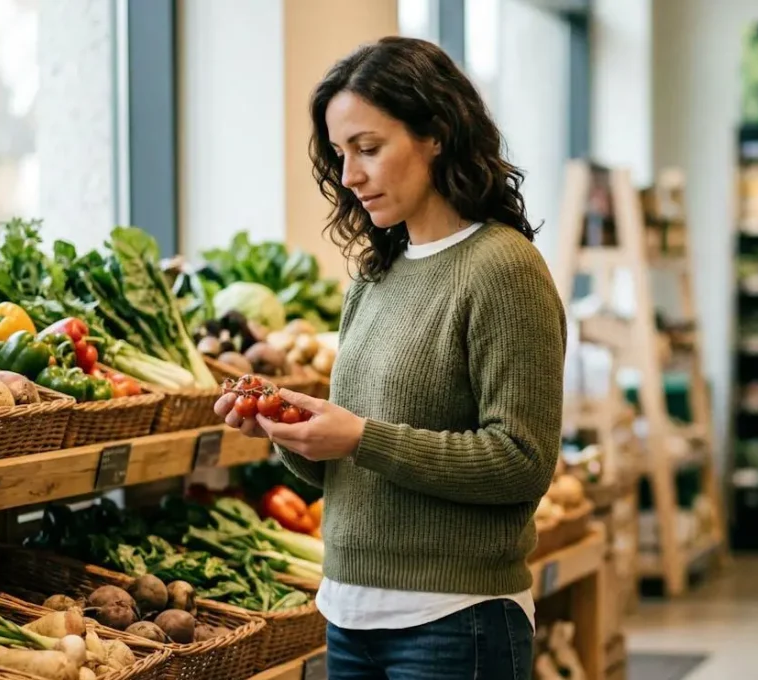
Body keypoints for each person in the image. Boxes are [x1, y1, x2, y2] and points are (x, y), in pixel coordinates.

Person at [214, 36, 566, 679]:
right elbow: (350, 470)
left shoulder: (503, 269)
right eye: (340, 154)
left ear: (436, 135)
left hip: (456, 622)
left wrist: (362, 438)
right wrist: (288, 430)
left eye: (368, 148)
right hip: (349, 615)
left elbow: (521, 462)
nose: (349, 175)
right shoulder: (376, 277)